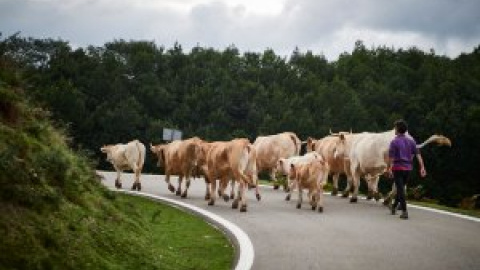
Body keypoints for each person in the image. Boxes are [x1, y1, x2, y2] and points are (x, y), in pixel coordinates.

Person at [386, 119, 427, 219]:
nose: (394, 130)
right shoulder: (411, 141)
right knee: (400, 189)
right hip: (408, 169)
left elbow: (391, 159)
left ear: (398, 129)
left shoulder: (394, 142)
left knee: (400, 190)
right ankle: (394, 207)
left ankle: (404, 212)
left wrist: (389, 169)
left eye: (395, 128)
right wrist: (422, 167)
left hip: (398, 168)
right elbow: (418, 155)